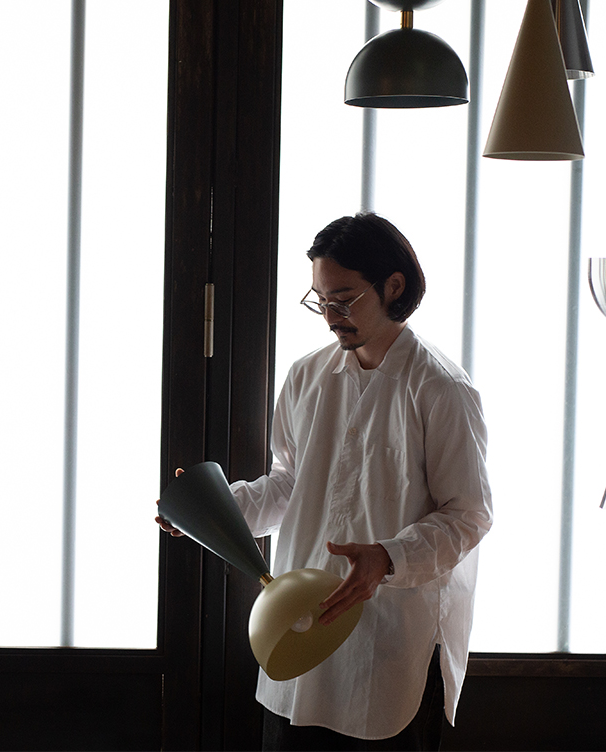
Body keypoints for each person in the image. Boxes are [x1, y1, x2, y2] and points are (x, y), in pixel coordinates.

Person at [157, 212, 493, 751]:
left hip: (390, 639)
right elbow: (289, 486)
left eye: (344, 300)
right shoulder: (305, 376)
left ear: (393, 286)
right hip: (298, 630)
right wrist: (208, 511)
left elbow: (468, 514)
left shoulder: (440, 388)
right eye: (320, 301)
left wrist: (386, 558)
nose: (331, 317)